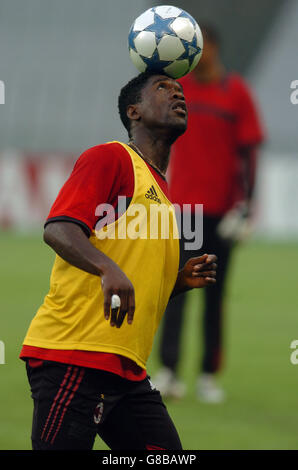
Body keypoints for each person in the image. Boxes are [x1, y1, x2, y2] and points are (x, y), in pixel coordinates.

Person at [20, 71, 217, 450]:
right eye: (163, 89)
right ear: (134, 111)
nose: (178, 96)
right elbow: (59, 229)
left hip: (125, 369)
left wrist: (177, 282)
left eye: (180, 91)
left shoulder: (159, 190)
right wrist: (107, 268)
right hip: (75, 354)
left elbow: (132, 283)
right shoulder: (111, 158)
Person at [154, 25, 264, 403]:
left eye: (202, 48)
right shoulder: (176, 89)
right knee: (176, 289)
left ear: (214, 48)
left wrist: (246, 206)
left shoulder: (236, 94)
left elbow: (249, 153)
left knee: (214, 296)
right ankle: (168, 370)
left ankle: (207, 375)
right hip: (184, 208)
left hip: (221, 211)